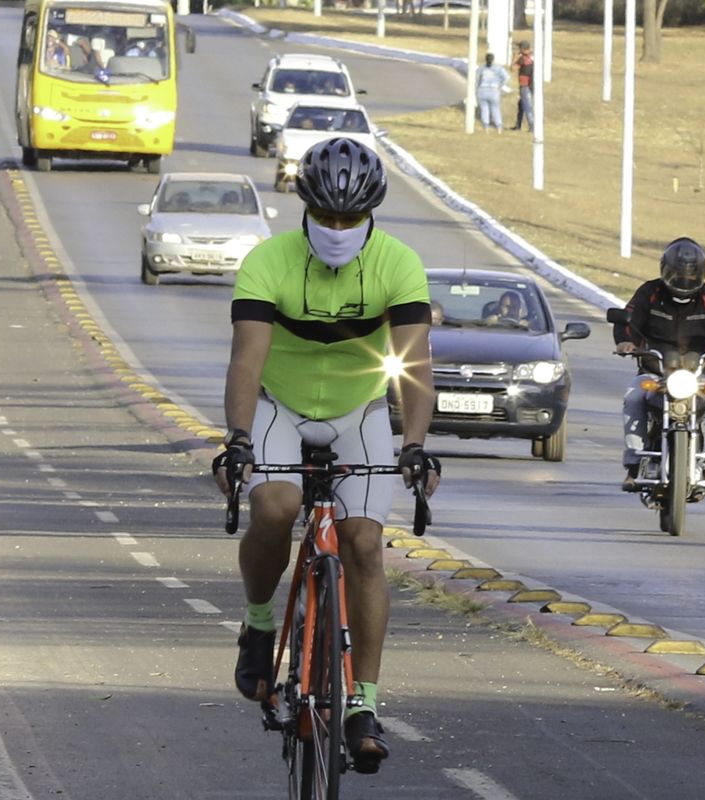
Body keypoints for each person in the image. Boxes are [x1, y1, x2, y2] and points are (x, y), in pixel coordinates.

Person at [213, 136, 440, 777]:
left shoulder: (399, 264)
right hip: (281, 406)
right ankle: (260, 624)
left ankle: (362, 704)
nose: (338, 230)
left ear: (371, 214)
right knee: (277, 504)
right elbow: (246, 362)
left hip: (358, 412)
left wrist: (415, 445)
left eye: (350, 219)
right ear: (305, 207)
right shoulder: (268, 261)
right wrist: (237, 438)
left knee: (364, 543)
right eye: (327, 217)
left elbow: (415, 367)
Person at [613, 237, 705, 499]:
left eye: (691, 274)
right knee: (635, 395)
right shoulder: (649, 293)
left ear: (701, 273)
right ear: (665, 269)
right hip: (655, 372)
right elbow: (628, 320)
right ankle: (634, 463)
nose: (685, 279)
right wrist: (626, 342)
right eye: (678, 273)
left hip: (696, 376)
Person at [474, 52, 510, 133]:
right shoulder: (498, 68)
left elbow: (477, 80)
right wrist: (500, 85)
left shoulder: (481, 68)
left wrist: (476, 90)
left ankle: (486, 127)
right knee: (495, 109)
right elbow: (507, 78)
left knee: (484, 109)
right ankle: (499, 127)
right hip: (494, 90)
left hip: (482, 90)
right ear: (493, 59)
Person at [511, 41, 535, 132]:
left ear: (522, 49)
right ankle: (518, 125)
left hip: (524, 86)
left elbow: (512, 69)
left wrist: (514, 58)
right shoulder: (532, 57)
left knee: (527, 107)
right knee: (521, 105)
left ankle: (532, 127)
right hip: (532, 84)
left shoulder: (522, 59)